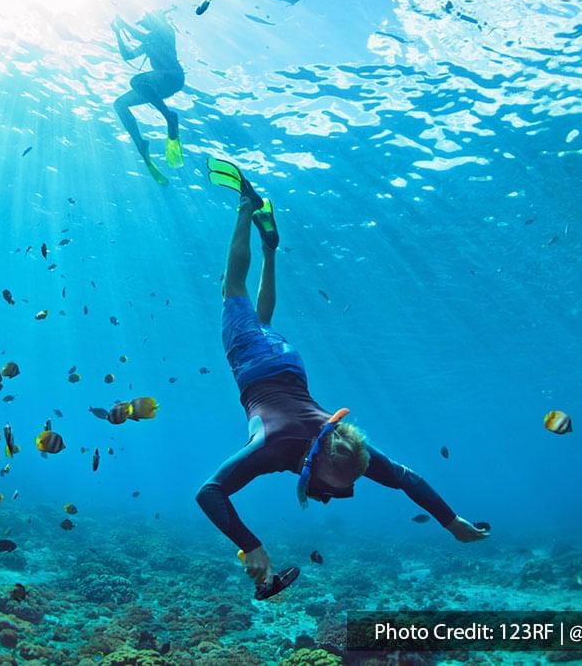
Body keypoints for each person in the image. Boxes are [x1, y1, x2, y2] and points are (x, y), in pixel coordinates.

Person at [196, 157, 490, 597]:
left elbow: (406, 478)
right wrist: (251, 546)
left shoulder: (348, 450)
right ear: (314, 464)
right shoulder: (276, 449)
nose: (330, 497)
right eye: (330, 489)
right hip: (257, 367)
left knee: (262, 319)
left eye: (341, 491)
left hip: (290, 364)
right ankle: (244, 205)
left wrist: (453, 523)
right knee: (232, 292)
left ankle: (271, 249)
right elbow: (209, 493)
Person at [111, 11, 184, 186]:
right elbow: (128, 55)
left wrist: (123, 24)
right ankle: (140, 143)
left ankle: (169, 116)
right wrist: (117, 33)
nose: (145, 26)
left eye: (146, 23)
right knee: (119, 104)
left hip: (172, 77)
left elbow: (140, 35)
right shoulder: (148, 40)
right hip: (157, 85)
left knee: (137, 81)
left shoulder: (166, 31)